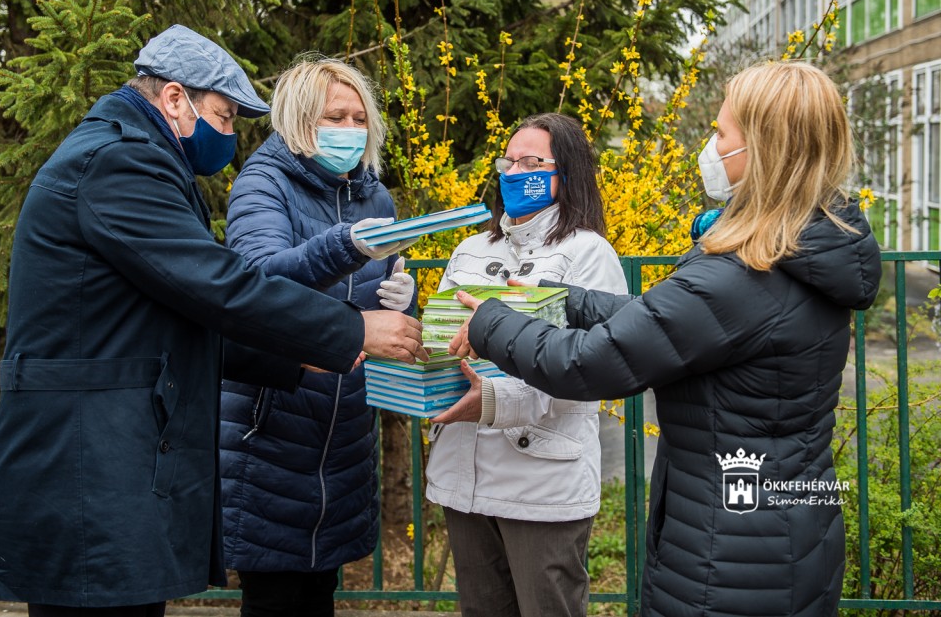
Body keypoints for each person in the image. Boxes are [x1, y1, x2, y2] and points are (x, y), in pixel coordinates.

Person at [0, 26, 426, 617]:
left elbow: (175, 318)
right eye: (224, 115)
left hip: (106, 454)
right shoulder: (120, 163)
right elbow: (219, 286)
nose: (230, 135)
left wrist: (291, 356)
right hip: (88, 458)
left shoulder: (136, 157)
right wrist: (350, 330)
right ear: (174, 99)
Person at [449, 61, 882, 616]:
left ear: (762, 149)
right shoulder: (798, 251)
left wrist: (490, 322)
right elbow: (663, 320)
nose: (711, 147)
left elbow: (591, 363)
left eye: (721, 133)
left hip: (730, 553)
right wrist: (563, 298)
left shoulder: (741, 275)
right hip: (782, 523)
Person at [219, 55, 417, 617]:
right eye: (336, 117)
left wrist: (404, 298)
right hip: (271, 428)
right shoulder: (263, 183)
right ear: (300, 119)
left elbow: (382, 305)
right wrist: (345, 245)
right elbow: (257, 284)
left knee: (319, 593)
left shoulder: (374, 197)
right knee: (273, 596)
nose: (350, 130)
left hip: (344, 437)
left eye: (360, 119)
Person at [425, 113, 627, 617]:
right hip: (463, 474)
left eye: (532, 162)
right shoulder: (471, 249)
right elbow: (442, 339)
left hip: (541, 483)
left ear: (567, 173)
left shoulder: (588, 252)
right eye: (508, 162)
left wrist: (497, 401)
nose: (515, 172)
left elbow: (587, 365)